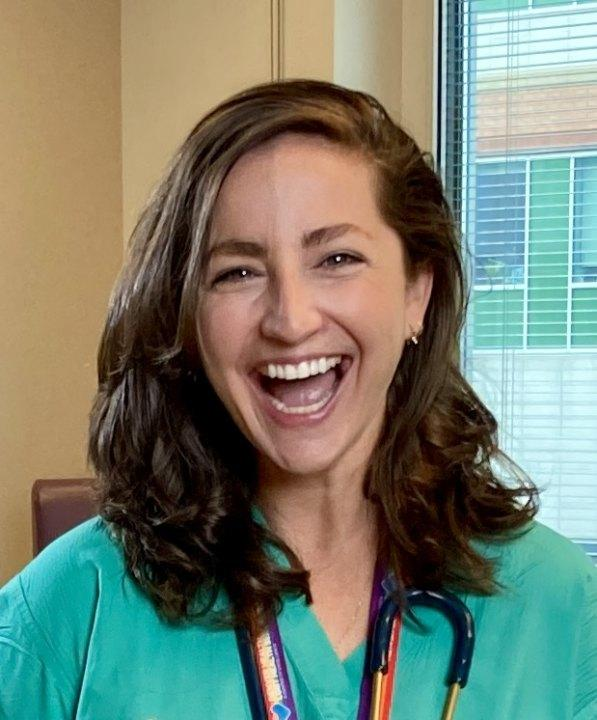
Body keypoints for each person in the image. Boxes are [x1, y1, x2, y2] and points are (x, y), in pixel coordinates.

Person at [0, 79, 595, 720]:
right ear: (188, 318)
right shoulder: (64, 614)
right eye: (237, 272)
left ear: (416, 293)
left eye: (337, 258)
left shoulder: (561, 608)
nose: (290, 320)